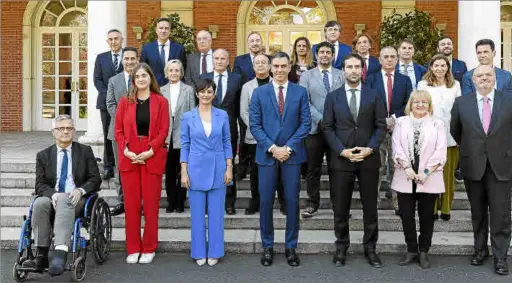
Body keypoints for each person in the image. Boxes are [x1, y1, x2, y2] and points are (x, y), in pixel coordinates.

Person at [322, 53, 387, 268]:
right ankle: (341, 247)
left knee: (370, 208)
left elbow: (381, 125)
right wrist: (342, 151)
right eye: (349, 67)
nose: (353, 70)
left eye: (357, 67)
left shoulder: (374, 95)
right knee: (341, 207)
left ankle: (370, 248)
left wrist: (370, 148)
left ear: (362, 70)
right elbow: (328, 127)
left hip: (368, 159)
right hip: (342, 160)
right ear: (343, 70)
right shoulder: (333, 97)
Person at [249, 52, 311, 267]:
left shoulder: (300, 92)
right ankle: (267, 246)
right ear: (270, 68)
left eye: (284, 66)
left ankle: (290, 246)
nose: (279, 70)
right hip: (267, 156)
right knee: (266, 202)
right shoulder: (259, 93)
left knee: (292, 202)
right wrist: (274, 148)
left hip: (292, 157)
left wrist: (289, 148)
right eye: (275, 66)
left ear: (289, 67)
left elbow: (305, 124)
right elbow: (255, 125)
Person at [451, 65, 512, 275]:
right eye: (480, 75)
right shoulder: (461, 103)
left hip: (501, 165)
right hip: (473, 165)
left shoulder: (509, 100)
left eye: (488, 75)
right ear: (473, 80)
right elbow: (456, 131)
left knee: (501, 213)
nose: (484, 78)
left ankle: (500, 256)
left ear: (495, 78)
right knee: (477, 212)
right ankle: (480, 250)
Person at [22, 115, 101, 276]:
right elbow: (40, 185)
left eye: (69, 128)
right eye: (61, 128)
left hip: (77, 201)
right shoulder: (43, 155)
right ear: (53, 132)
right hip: (53, 199)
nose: (66, 131)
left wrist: (81, 190)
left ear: (74, 131)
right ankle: (42, 255)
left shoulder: (85, 151)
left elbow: (95, 179)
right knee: (39, 203)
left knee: (65, 198)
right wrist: (53, 194)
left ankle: (60, 253)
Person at [114, 63, 170, 264]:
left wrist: (150, 151)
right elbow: (118, 131)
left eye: (144, 75)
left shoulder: (161, 102)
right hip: (129, 156)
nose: (141, 79)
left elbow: (164, 130)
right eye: (137, 76)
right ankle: (133, 247)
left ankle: (149, 247)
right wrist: (126, 150)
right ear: (133, 80)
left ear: (150, 78)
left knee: (151, 205)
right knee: (131, 205)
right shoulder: (124, 102)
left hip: (151, 155)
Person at [391, 90, 447, 269]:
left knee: (427, 216)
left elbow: (440, 150)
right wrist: (406, 167)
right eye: (416, 102)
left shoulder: (437, 124)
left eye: (424, 102)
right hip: (405, 175)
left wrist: (426, 171)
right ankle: (411, 250)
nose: (420, 105)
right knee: (406, 215)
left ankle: (424, 251)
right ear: (410, 104)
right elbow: (396, 146)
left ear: (429, 105)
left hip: (428, 177)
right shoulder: (401, 122)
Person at [180, 78, 233, 267]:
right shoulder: (188, 117)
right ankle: (198, 252)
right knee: (197, 214)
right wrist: (184, 171)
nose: (205, 95)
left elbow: (227, 141)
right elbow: (184, 144)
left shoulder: (222, 115)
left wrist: (229, 167)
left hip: (219, 168)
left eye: (209, 91)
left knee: (217, 214)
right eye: (202, 91)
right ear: (197, 93)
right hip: (195, 169)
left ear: (214, 94)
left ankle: (216, 251)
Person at [299, 41, 345, 219]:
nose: (325, 55)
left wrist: (333, 120)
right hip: (314, 129)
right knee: (313, 169)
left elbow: (344, 99)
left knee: (337, 168)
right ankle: (312, 203)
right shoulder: (307, 76)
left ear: (333, 56)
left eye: (328, 52)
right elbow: (305, 101)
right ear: (316, 56)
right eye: (322, 52)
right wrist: (322, 119)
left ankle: (338, 205)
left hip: (337, 130)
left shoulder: (341, 75)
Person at [366, 46, 413, 215]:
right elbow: (367, 103)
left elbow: (408, 104)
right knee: (376, 167)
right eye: (386, 56)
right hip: (377, 129)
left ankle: (397, 202)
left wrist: (394, 117)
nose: (389, 59)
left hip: (398, 129)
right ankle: (374, 201)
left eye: (393, 56)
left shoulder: (405, 80)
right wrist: (382, 119)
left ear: (397, 59)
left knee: (396, 166)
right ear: (380, 59)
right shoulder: (371, 80)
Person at [240, 53, 286, 215]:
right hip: (254, 138)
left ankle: (283, 202)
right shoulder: (247, 87)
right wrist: (258, 130)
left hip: (278, 138)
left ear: (270, 66)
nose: (260, 65)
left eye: (263, 62)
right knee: (255, 173)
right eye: (257, 63)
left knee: (280, 171)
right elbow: (244, 112)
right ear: (253, 67)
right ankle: (256, 202)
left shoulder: (279, 85)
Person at [418, 54, 461, 221]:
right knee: (431, 173)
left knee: (448, 175)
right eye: (436, 65)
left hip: (451, 136)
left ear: (447, 68)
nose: (440, 68)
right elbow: (419, 108)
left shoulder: (455, 85)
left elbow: (459, 110)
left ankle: (446, 208)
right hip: (429, 136)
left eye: (443, 65)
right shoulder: (423, 85)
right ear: (431, 67)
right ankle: (432, 208)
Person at [201, 49, 242, 215]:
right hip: (207, 129)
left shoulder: (237, 79)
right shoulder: (204, 78)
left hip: (229, 129)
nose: (219, 61)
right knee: (207, 166)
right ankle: (207, 202)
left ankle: (229, 202)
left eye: (222, 58)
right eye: (216, 58)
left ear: (227, 61)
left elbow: (239, 105)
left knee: (228, 165)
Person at [106, 47, 139, 216]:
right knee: (120, 169)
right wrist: (123, 122)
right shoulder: (113, 80)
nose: (130, 62)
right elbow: (110, 104)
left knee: (138, 168)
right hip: (117, 132)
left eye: (133, 58)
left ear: (137, 60)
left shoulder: (142, 79)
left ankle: (137, 202)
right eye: (126, 59)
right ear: (122, 61)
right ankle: (122, 202)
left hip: (139, 132)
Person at [161, 59, 196, 213]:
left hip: (183, 133)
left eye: (177, 70)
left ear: (181, 73)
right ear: (166, 73)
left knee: (182, 169)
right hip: (166, 135)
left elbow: (192, 112)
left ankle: (181, 201)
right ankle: (171, 201)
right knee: (169, 171)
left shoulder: (188, 90)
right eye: (171, 70)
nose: (174, 73)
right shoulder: (160, 90)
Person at [93, 28, 124, 181]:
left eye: (116, 39)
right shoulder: (101, 58)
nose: (113, 42)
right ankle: (108, 166)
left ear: (121, 40)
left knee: (125, 134)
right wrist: (110, 98)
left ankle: (123, 165)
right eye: (110, 39)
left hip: (126, 104)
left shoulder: (128, 57)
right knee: (107, 135)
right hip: (106, 104)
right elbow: (97, 80)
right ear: (107, 41)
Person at [234, 32, 264, 182]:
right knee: (245, 139)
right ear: (248, 43)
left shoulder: (268, 60)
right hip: (245, 103)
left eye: (257, 40)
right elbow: (237, 82)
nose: (255, 43)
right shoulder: (240, 60)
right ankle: (242, 168)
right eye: (252, 40)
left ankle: (257, 166)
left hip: (264, 107)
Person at [140, 18, 186, 86]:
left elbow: (183, 68)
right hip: (153, 87)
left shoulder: (179, 49)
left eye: (166, 28)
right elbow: (143, 69)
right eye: (161, 28)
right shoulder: (147, 48)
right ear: (156, 30)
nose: (163, 31)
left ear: (170, 31)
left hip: (174, 86)